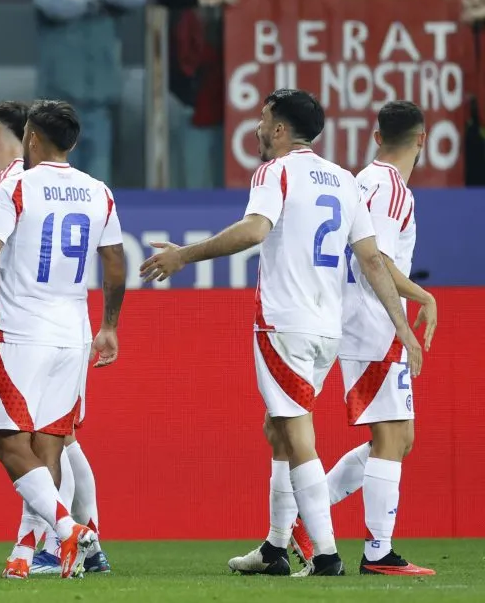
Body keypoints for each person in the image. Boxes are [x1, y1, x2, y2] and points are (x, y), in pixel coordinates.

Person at [140, 89, 423, 577]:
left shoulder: (275, 171)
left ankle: (326, 555)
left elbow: (254, 230)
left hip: (284, 323)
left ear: (279, 129)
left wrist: (184, 255)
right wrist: (405, 328)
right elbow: (372, 260)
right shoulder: (344, 179)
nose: (256, 126)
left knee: (296, 432)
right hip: (327, 330)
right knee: (278, 429)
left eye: (263, 118)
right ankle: (273, 548)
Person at [268, 102, 438, 577]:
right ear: (422, 140)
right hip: (374, 320)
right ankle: (378, 552)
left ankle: (306, 515)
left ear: (377, 136)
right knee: (390, 436)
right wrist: (421, 297)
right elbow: (375, 258)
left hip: (359, 318)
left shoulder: (362, 180)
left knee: (400, 437)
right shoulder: (391, 188)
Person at [0, 100, 126, 579]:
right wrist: (109, 326)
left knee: (7, 442)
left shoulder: (16, 184)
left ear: (32, 138)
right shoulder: (98, 191)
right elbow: (115, 264)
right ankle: (25, 552)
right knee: (50, 445)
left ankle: (68, 530)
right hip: (73, 333)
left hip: (23, 331)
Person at [33, 0, 145, 183]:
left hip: (98, 107)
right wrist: (92, 1)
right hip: (57, 108)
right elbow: (57, 7)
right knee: (59, 176)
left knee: (97, 175)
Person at [158, 0, 238, 189]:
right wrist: (202, 1)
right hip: (193, 106)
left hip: (229, 108)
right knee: (196, 176)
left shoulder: (233, 12)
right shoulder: (182, 13)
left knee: (228, 178)